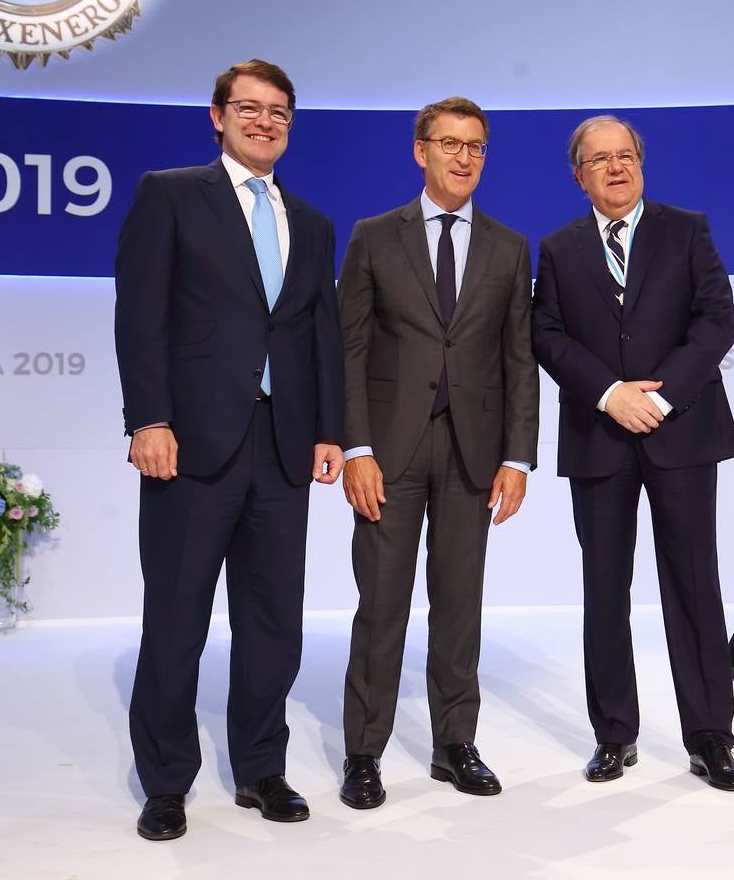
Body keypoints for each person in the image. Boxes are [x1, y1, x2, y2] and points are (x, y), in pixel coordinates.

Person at [114, 59, 345, 841]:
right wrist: (148, 420)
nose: (265, 121)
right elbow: (139, 316)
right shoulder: (170, 194)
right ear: (217, 116)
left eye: (279, 110)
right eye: (248, 108)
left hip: (282, 449)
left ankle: (259, 768)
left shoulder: (310, 223)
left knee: (273, 622)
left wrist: (328, 431)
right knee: (176, 618)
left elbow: (320, 337)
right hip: (191, 445)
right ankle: (167, 782)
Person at [532, 115, 734, 792]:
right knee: (604, 590)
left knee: (693, 585)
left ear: (641, 165)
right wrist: (607, 393)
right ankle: (612, 735)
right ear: (578, 176)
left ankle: (710, 737)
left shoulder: (687, 230)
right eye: (599, 160)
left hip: (680, 432)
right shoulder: (559, 248)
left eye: (625, 156)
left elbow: (716, 319)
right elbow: (546, 333)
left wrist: (660, 397)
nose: (615, 168)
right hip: (599, 438)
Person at [336, 96, 539, 809]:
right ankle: (364, 753)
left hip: (473, 455)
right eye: (449, 144)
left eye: (475, 146)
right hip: (387, 453)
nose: (463, 157)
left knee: (459, 606)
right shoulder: (372, 236)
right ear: (420, 151)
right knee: (381, 606)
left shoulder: (510, 248)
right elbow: (350, 350)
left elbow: (519, 359)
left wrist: (517, 459)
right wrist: (355, 446)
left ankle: (455, 744)